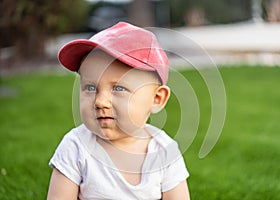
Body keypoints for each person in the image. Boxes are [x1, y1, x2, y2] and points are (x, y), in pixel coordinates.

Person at [47, 22, 190, 200]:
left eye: (119, 89)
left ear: (156, 99)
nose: (100, 102)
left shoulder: (164, 152)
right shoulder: (76, 147)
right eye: (90, 88)